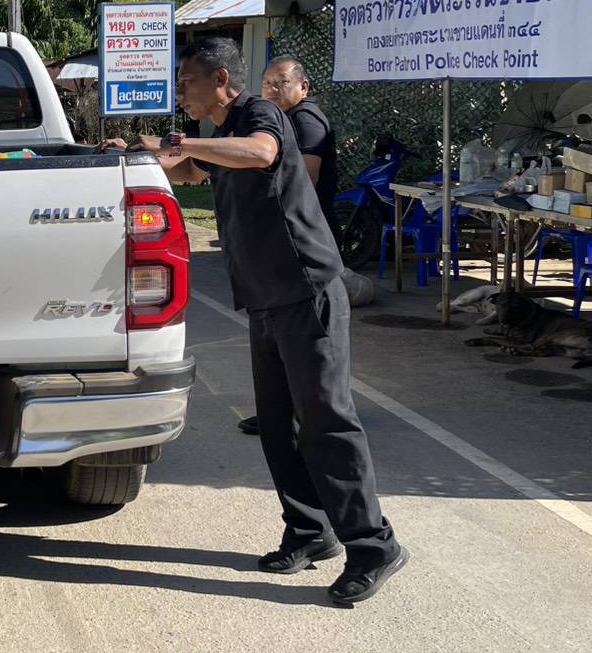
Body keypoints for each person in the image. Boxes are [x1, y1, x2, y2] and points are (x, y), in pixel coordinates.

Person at [129, 36, 407, 605]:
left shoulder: (260, 114)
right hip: (264, 297)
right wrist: (133, 155)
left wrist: (179, 141)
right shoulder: (220, 133)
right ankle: (310, 531)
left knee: (327, 422)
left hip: (306, 290)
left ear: (219, 80)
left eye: (186, 81)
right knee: (279, 426)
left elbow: (260, 153)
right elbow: (192, 171)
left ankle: (373, 545)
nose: (179, 91)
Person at [236, 56, 340, 436]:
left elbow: (306, 176)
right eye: (267, 83)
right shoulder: (276, 120)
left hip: (308, 244)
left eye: (281, 83)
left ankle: (313, 416)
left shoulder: (305, 120)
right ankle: (281, 412)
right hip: (287, 244)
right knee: (281, 339)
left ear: (303, 87)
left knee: (308, 339)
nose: (272, 90)